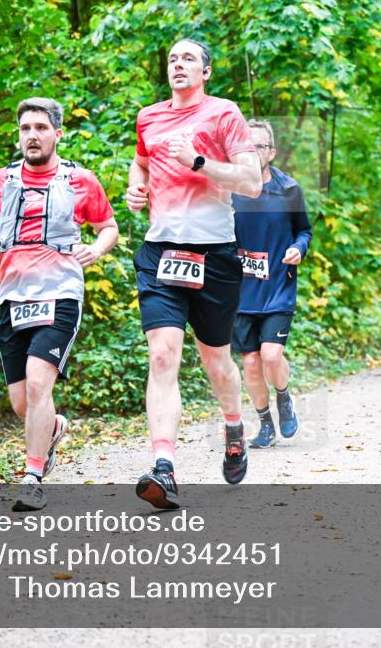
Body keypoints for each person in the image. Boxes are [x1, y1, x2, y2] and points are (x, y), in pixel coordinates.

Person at [0, 97, 119, 511]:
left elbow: (109, 227)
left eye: (40, 128)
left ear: (57, 134)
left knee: (38, 383)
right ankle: (52, 429)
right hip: (13, 297)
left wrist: (97, 250)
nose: (32, 136)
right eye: (25, 129)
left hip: (60, 292)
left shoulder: (81, 181)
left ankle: (32, 477)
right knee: (22, 403)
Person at [125, 38, 262, 509]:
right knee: (163, 356)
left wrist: (199, 163)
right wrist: (135, 189)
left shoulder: (224, 114)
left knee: (216, 361)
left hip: (216, 254)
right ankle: (164, 468)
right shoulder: (149, 116)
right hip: (161, 251)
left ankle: (233, 423)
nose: (177, 65)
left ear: (205, 71)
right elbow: (140, 162)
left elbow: (253, 182)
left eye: (188, 59)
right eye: (171, 59)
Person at [232, 120, 312, 448]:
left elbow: (304, 230)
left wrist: (298, 248)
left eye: (259, 146)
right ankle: (265, 424)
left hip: (278, 284)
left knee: (271, 354)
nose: (252, 152)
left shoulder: (288, 189)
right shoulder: (229, 188)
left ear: (271, 152)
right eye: (246, 146)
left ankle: (284, 397)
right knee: (250, 361)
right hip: (240, 290)